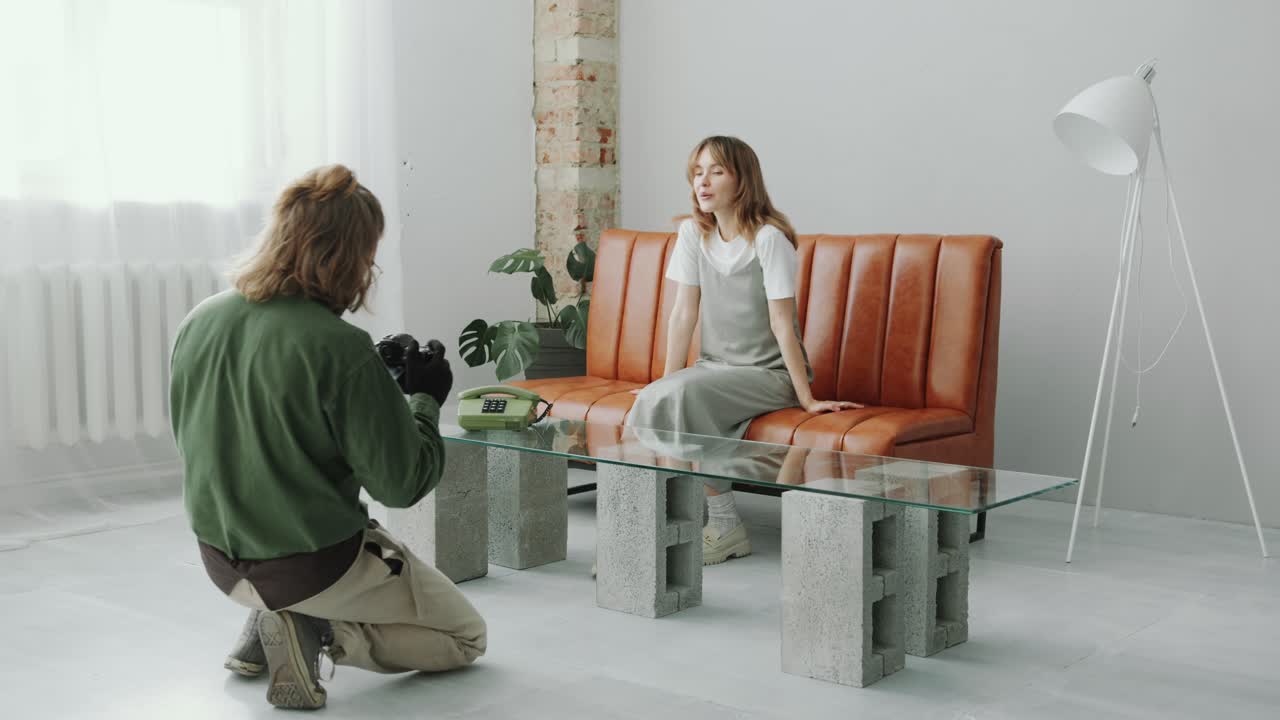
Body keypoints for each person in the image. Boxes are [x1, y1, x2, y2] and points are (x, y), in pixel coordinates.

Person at [169, 164, 486, 710]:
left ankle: (265, 623)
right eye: (368, 253)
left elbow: (247, 433)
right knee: (466, 637)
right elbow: (401, 484)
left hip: (219, 559)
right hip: (309, 565)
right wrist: (424, 399)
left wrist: (373, 392)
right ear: (347, 256)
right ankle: (317, 630)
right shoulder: (340, 347)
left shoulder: (202, 318)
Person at [625, 136, 862, 565]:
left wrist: (804, 396)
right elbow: (683, 314)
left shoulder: (770, 240)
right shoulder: (692, 234)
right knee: (662, 395)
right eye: (697, 172)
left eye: (716, 171)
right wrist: (664, 379)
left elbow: (781, 324)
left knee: (681, 396)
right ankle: (654, 525)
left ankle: (724, 525)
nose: (704, 181)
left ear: (743, 179)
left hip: (768, 374)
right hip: (714, 368)